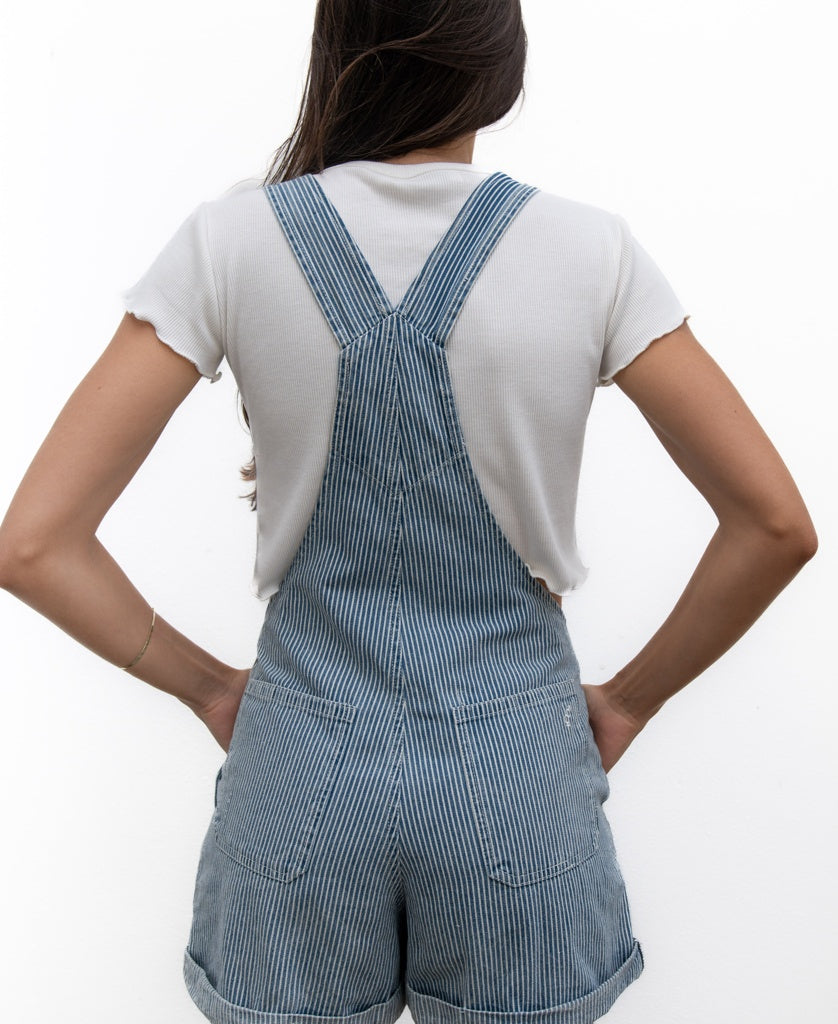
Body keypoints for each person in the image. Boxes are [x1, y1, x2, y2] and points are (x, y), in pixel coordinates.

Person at [0, 1, 818, 1022]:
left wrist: (212, 689)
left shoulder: (230, 242)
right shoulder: (589, 250)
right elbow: (775, 526)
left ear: (337, 46)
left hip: (300, 764)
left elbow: (34, 544)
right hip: (517, 764)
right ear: (501, 64)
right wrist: (627, 702)